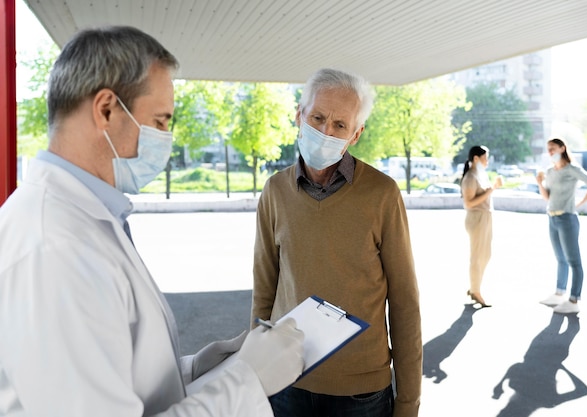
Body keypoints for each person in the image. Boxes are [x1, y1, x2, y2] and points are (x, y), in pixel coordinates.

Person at [0, 26, 305, 416]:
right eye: (160, 121)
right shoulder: (55, 250)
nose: (166, 138)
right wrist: (248, 380)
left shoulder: (83, 220)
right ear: (106, 109)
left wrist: (195, 369)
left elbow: (114, 376)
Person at [251, 68, 422, 417]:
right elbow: (264, 293)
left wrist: (408, 402)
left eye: (340, 125)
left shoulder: (382, 194)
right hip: (285, 384)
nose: (325, 131)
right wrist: (252, 374)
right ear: (299, 115)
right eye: (317, 117)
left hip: (361, 394)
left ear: (355, 134)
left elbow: (404, 302)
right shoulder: (275, 191)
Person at [537, 138, 587, 314]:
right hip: (552, 218)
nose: (550, 152)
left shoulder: (572, 169)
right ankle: (559, 293)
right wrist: (539, 182)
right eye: (548, 149)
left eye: (553, 149)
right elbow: (547, 198)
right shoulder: (550, 171)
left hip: (567, 218)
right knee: (560, 259)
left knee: (574, 261)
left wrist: (580, 203)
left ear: (562, 148)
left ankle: (574, 300)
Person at [460, 145, 502, 308]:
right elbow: (469, 202)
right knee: (477, 257)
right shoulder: (470, 177)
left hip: (484, 217)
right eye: (485, 158)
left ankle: (474, 287)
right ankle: (475, 290)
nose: (487, 161)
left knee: (485, 255)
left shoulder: (479, 175)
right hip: (476, 218)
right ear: (476, 158)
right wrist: (492, 189)